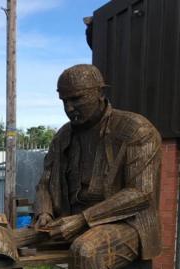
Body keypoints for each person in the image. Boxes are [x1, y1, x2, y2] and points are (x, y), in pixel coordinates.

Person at [33, 64, 161, 269]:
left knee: (87, 251)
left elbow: (140, 193)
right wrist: (44, 212)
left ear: (100, 93)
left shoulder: (135, 129)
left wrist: (83, 219)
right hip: (70, 220)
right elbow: (45, 181)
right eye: (64, 101)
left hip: (126, 223)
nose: (69, 108)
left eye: (76, 99)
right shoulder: (63, 136)